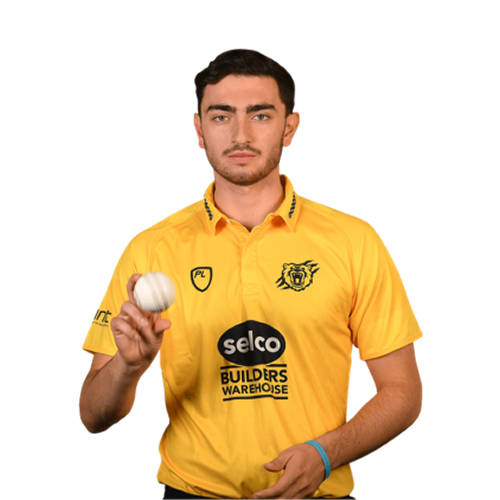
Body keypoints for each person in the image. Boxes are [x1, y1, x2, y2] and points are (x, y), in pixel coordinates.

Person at [79, 48, 423, 500]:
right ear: (199, 131)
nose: (240, 135)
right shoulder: (150, 249)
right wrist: (127, 367)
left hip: (319, 495)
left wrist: (326, 454)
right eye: (221, 116)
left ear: (290, 128)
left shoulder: (354, 240)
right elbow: (93, 417)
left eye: (260, 115)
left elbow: (404, 392)